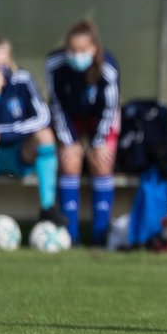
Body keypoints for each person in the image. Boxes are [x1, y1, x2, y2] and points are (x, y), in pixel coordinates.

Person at [0, 33, 63, 226]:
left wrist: (6, 132)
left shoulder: (24, 80)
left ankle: (48, 208)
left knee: (45, 136)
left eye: (4, 63)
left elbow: (43, 117)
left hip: (18, 153)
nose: (1, 69)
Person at [46, 19, 120, 245]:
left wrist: (98, 143)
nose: (76, 55)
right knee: (69, 160)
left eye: (82, 50)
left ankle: (100, 235)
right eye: (72, 49)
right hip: (71, 120)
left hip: (101, 120)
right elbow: (56, 105)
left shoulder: (108, 68)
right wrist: (70, 142)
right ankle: (70, 235)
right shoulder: (54, 64)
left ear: (94, 48)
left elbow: (110, 109)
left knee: (102, 160)